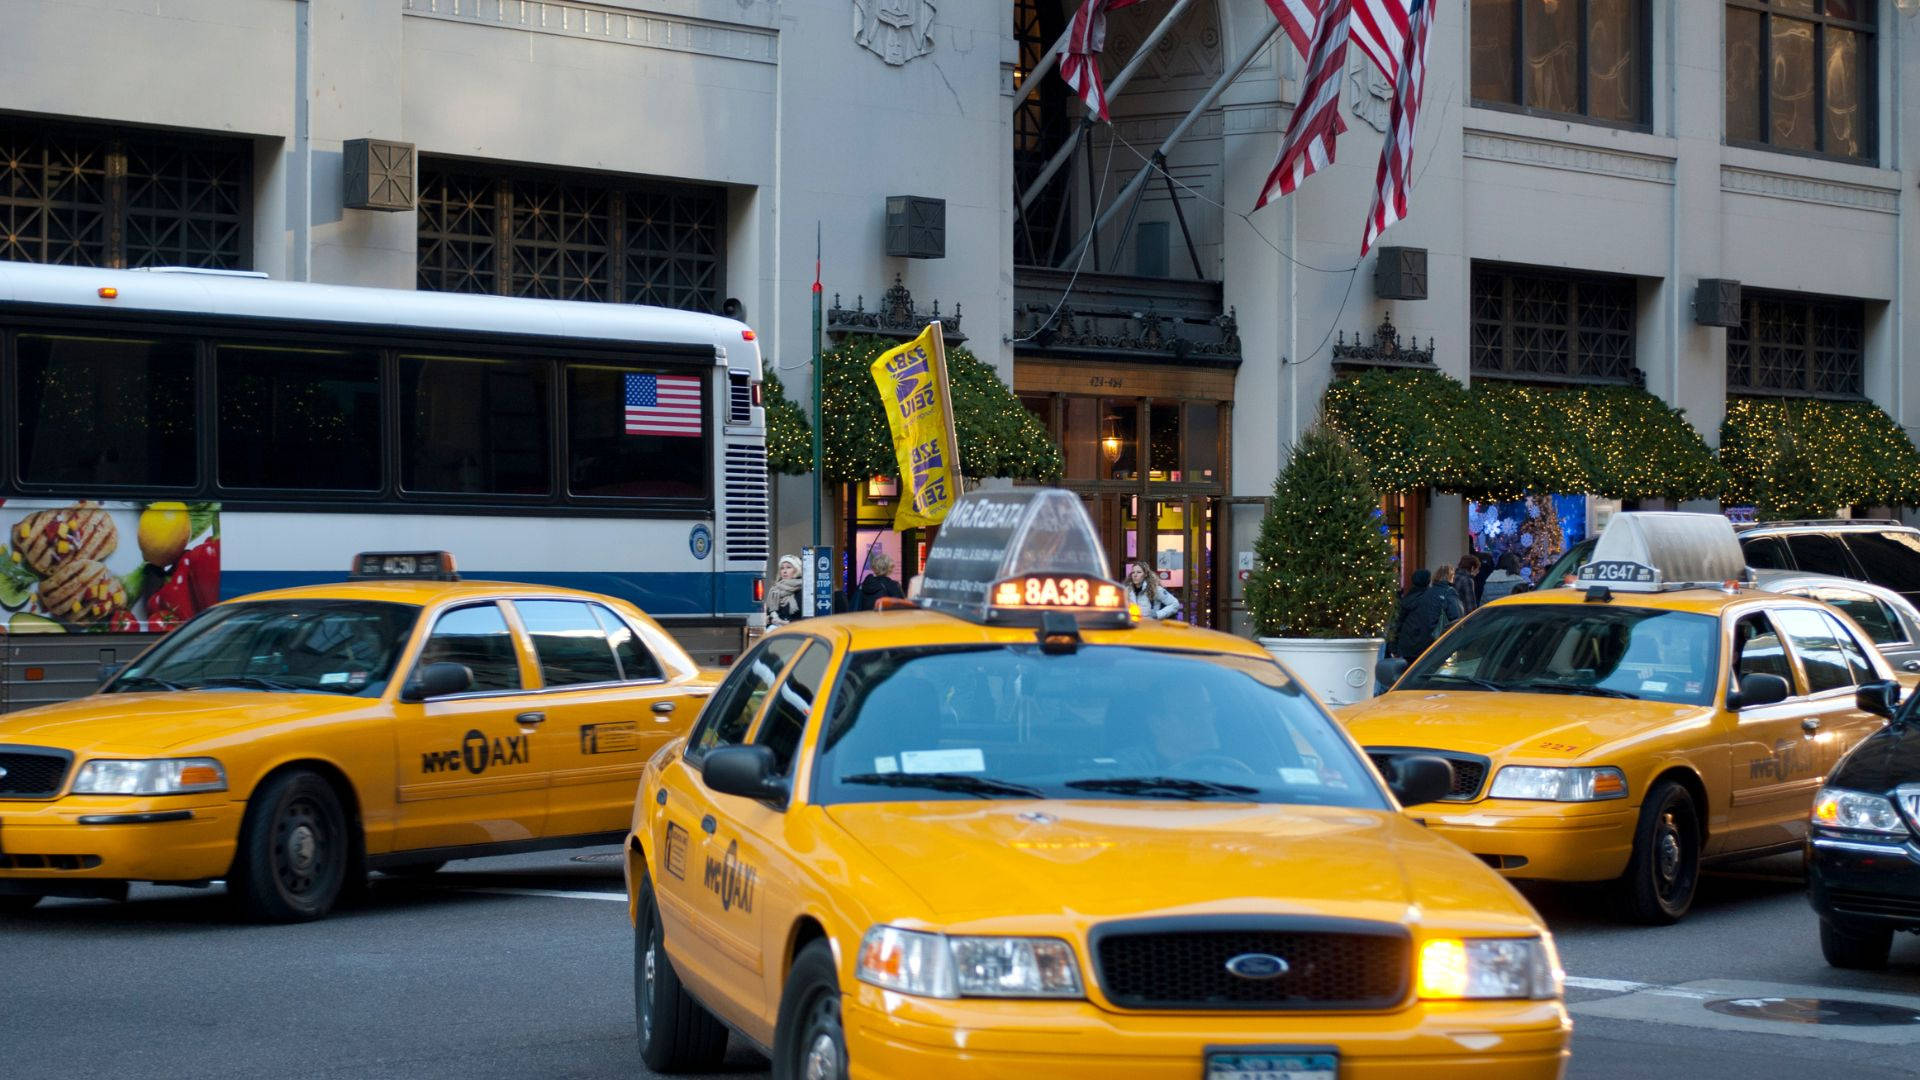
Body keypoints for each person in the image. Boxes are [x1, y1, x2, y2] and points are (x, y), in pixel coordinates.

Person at [1391, 567, 1464, 661]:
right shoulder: (1433, 596)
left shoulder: (1407, 598)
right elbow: (1455, 618)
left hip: (1407, 645)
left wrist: (1394, 647)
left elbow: (1397, 624)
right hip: (1426, 645)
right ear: (1428, 580)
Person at [765, 554, 804, 627]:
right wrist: (768, 619)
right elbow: (769, 612)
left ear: (797, 570)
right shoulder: (775, 590)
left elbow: (806, 620)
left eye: (788, 567)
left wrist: (783, 622)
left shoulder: (802, 590)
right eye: (782, 568)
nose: (784, 571)